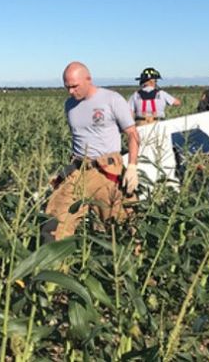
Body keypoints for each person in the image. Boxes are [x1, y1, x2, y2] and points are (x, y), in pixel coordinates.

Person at [43, 62, 140, 241]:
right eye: (67, 87)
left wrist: (132, 167)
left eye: (74, 86)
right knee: (54, 223)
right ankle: (57, 265)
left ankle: (130, 264)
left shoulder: (112, 99)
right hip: (78, 171)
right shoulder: (70, 105)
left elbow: (132, 134)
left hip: (106, 171)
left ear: (89, 79)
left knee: (119, 226)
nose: (71, 92)